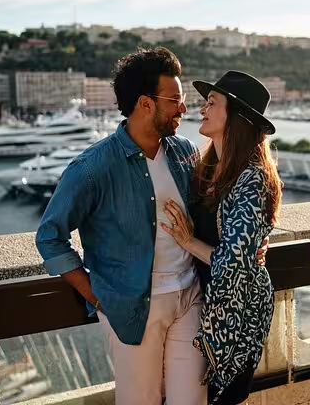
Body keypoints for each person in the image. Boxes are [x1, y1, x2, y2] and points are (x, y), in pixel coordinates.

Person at [35, 48, 267, 405]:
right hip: (132, 311)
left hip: (190, 299)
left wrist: (248, 248)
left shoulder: (184, 153)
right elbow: (50, 238)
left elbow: (218, 211)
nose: (184, 108)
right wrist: (98, 297)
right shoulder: (93, 168)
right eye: (175, 99)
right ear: (146, 104)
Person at [161, 70, 281, 404]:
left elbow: (233, 261)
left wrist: (187, 242)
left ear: (236, 117)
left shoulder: (252, 180)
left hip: (236, 315)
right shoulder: (207, 169)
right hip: (202, 304)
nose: (202, 109)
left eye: (212, 103)